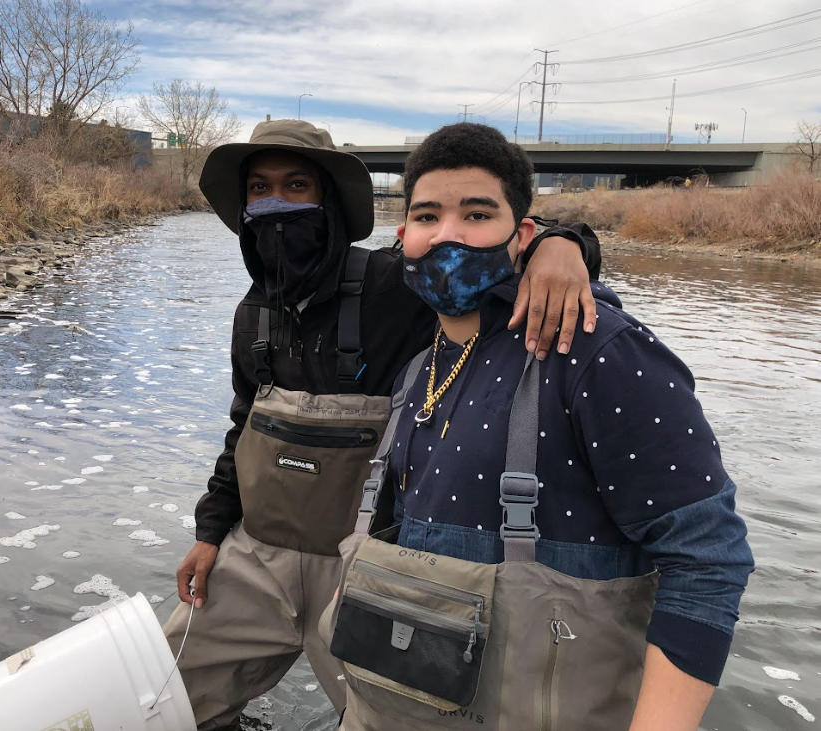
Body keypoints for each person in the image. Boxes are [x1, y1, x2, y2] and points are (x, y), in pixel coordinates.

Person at [163, 119, 605, 730]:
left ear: (332, 204)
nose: (276, 204)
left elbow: (479, 250)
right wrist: (211, 532)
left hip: (366, 566)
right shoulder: (251, 315)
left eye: (297, 186)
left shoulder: (397, 284)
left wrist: (564, 246)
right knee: (160, 694)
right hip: (253, 551)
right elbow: (242, 427)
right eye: (259, 188)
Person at [324, 122, 754, 731]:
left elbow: (708, 559)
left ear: (523, 234)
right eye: (427, 217)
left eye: (477, 214)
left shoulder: (598, 352)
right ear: (403, 238)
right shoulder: (417, 371)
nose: (447, 235)